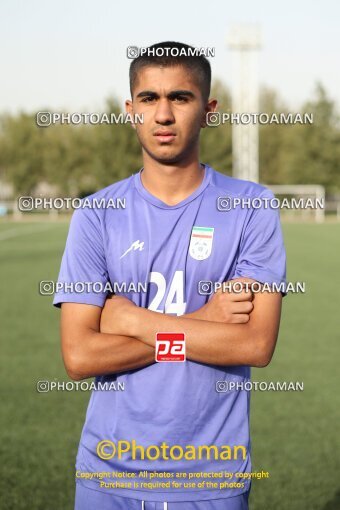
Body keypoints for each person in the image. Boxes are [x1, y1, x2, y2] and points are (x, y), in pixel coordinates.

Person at [54, 41, 286, 510]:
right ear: (130, 110)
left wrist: (134, 320)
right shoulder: (97, 214)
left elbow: (254, 346)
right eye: (148, 99)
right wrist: (206, 320)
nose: (163, 114)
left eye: (180, 98)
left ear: (209, 110)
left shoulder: (252, 208)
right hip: (108, 477)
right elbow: (79, 357)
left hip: (210, 481)